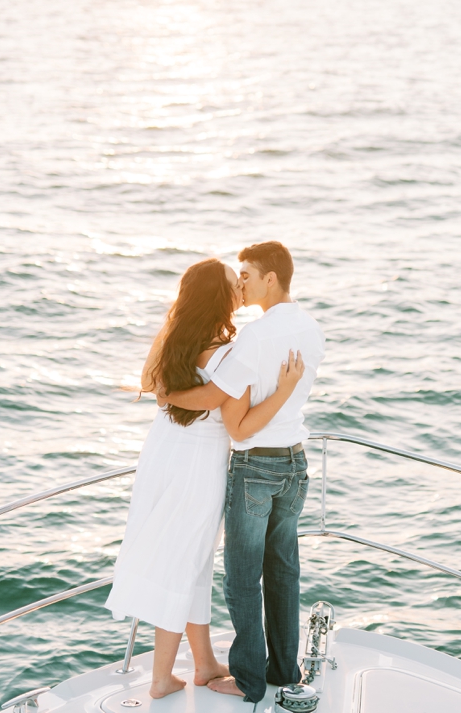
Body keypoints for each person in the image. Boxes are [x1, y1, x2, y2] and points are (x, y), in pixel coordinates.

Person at [105, 257, 306, 700]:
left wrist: (165, 394)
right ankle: (161, 677)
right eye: (235, 285)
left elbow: (147, 379)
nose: (240, 290)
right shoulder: (226, 352)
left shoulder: (175, 337)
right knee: (184, 562)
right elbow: (221, 399)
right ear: (220, 297)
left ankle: (203, 664)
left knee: (192, 562)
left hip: (162, 453)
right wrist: (287, 390)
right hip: (198, 464)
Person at [159, 241, 325, 702]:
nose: (242, 282)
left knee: (240, 579)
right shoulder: (312, 329)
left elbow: (226, 412)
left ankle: (250, 681)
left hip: (256, 466)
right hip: (296, 464)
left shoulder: (254, 338)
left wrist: (167, 396)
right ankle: (283, 670)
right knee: (283, 571)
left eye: (248, 274)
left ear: (271, 278)